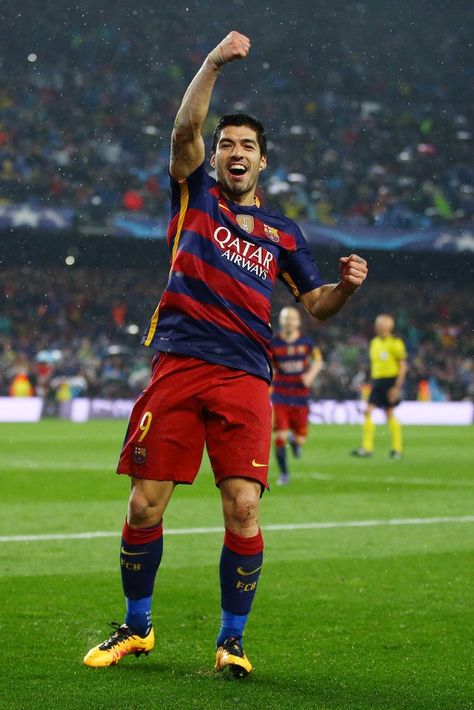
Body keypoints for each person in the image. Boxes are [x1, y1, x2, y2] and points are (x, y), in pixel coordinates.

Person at [83, 30, 368, 678]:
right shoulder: (195, 197)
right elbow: (185, 129)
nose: (234, 152)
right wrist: (212, 63)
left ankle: (232, 640)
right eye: (225, 144)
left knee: (243, 506)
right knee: (142, 505)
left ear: (262, 161)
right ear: (213, 157)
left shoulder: (281, 233)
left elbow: (316, 303)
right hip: (179, 366)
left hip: (245, 376)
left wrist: (346, 290)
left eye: (246, 146)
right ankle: (137, 626)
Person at [270, 306, 323, 485]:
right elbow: (268, 365)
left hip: (300, 394)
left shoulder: (306, 342)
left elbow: (318, 360)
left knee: (300, 437)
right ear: (281, 321)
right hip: (280, 395)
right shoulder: (274, 343)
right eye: (286, 318)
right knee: (279, 436)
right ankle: (284, 474)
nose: (289, 321)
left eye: (292, 318)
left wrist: (310, 376)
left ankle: (296, 441)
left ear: (298, 322)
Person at [352, 314, 407, 459]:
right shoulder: (374, 342)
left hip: (390, 382)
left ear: (390, 326)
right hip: (377, 382)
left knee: (389, 414)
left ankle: (397, 449)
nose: (379, 326)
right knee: (368, 412)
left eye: (382, 323)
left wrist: (397, 386)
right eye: (378, 323)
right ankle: (366, 448)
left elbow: (403, 366)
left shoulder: (396, 343)